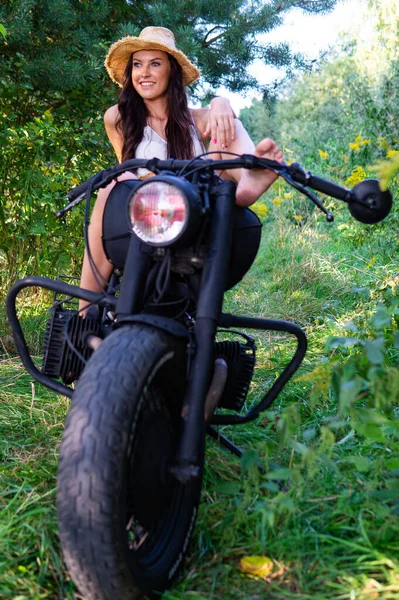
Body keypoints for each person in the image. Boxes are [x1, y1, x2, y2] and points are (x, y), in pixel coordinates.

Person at [79, 26, 283, 310]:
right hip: (146, 217)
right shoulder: (119, 119)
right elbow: (125, 173)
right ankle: (85, 311)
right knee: (113, 182)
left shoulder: (198, 121)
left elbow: (221, 120)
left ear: (171, 71)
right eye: (137, 64)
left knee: (228, 125)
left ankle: (249, 180)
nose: (144, 73)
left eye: (155, 64)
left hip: (195, 218)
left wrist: (220, 102)